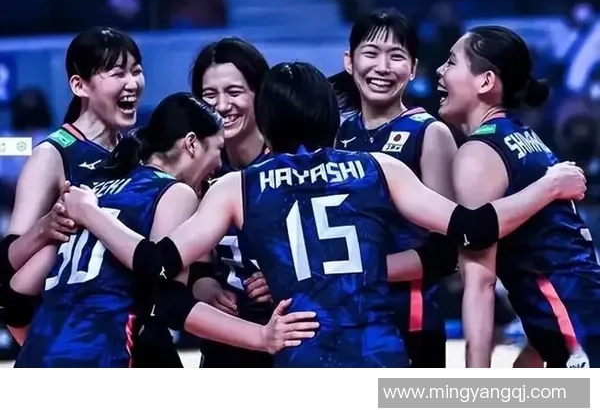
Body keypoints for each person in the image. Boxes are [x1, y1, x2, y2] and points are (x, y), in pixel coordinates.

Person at [61, 61, 586, 368]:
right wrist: (548, 186)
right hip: (379, 355)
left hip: (300, 360)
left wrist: (92, 213)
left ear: (267, 120)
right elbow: (472, 230)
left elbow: (158, 270)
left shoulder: (237, 186)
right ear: (331, 115)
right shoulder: (378, 166)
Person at [13, 92, 317, 367]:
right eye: (218, 149)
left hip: (37, 357)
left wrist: (49, 345)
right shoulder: (175, 193)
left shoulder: (96, 192)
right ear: (192, 144)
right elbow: (169, 300)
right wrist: (261, 337)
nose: (218, 164)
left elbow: (16, 296)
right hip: (103, 354)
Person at [436, 25, 600, 368]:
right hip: (580, 319)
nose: (440, 70)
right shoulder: (523, 136)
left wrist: (476, 384)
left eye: (451, 62)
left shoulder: (479, 153)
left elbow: (480, 284)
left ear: (486, 81)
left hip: (577, 336)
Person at [0, 27, 144, 343]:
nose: (132, 83)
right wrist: (46, 228)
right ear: (79, 85)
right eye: (118, 73)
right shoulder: (52, 154)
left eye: (136, 71)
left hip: (133, 326)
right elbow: (7, 262)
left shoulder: (138, 151)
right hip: (77, 335)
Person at [332, 8, 456, 367]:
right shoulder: (337, 134)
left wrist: (359, 272)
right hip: (343, 318)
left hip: (410, 320)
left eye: (396, 56)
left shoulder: (429, 133)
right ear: (349, 61)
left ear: (413, 68)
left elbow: (444, 253)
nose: (382, 67)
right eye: (371, 53)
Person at [189, 37, 273, 368]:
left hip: (289, 332)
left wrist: (289, 277)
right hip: (223, 339)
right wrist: (204, 284)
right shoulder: (195, 169)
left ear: (259, 93)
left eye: (234, 92)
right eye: (209, 95)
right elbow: (192, 259)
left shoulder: (290, 160)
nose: (222, 106)